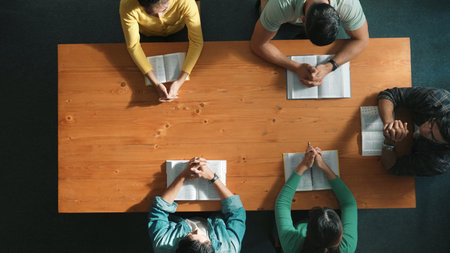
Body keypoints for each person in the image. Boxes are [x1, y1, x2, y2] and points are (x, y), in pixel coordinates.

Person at [250, 0, 369, 87]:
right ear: (303, 20)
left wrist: (330, 66)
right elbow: (257, 44)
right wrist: (295, 67)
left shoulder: (348, 4)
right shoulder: (281, 4)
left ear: (338, 15)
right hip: (281, 11)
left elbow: (362, 40)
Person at [148, 157, 246, 252]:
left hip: (178, 214)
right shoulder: (229, 248)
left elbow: (158, 211)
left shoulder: (163, 246)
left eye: (191, 234)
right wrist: (213, 177)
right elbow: (236, 211)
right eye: (204, 238)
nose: (197, 230)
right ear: (210, 244)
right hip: (214, 213)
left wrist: (183, 176)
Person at [275, 143, 357, 253]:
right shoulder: (346, 247)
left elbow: (282, 204)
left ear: (307, 231)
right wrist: (324, 167)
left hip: (298, 220)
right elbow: (349, 203)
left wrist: (303, 166)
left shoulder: (292, 246)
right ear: (340, 237)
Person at [120, 0, 203, 102]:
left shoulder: (186, 2)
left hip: (178, 28)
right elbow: (133, 46)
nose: (159, 17)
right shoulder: (127, 5)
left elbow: (196, 42)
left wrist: (179, 82)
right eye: (150, 13)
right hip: (147, 33)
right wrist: (155, 83)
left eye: (164, 9)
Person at [377, 87, 450, 176]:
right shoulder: (438, 99)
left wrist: (389, 141)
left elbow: (394, 167)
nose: (424, 129)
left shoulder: (439, 162)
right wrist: (389, 123)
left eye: (432, 136)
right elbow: (389, 95)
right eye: (431, 123)